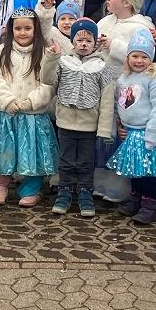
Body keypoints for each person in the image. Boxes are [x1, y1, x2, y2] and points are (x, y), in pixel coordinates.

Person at [0, 8, 60, 207]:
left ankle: (31, 189)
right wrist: (7, 101)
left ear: (35, 29)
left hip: (33, 115)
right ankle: (2, 186)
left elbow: (49, 82)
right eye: (18, 28)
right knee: (6, 151)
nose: (23, 33)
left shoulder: (44, 52)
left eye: (27, 28)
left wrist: (31, 101)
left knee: (33, 152)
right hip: (9, 113)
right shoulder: (2, 52)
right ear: (11, 30)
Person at [92, 0, 156, 204]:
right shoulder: (104, 22)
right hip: (102, 87)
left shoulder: (141, 27)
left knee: (120, 135)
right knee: (103, 134)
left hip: (126, 90)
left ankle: (120, 186)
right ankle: (99, 182)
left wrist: (114, 46)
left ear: (127, 1)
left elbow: (143, 55)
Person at [105, 29, 156, 224]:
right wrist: (120, 125)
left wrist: (153, 135)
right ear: (128, 58)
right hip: (131, 132)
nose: (139, 61)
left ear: (151, 59)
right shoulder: (123, 79)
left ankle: (149, 204)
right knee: (135, 168)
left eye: (144, 57)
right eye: (135, 56)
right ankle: (135, 198)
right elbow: (120, 104)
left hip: (150, 133)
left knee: (149, 171)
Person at [47, 17, 114, 217]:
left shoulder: (102, 66)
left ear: (95, 43)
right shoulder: (63, 62)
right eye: (79, 40)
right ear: (73, 41)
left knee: (86, 161)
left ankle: (85, 192)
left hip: (89, 125)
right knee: (66, 160)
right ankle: (64, 191)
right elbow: (47, 80)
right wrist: (51, 59)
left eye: (88, 41)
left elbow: (107, 99)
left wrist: (104, 129)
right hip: (65, 123)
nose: (84, 44)